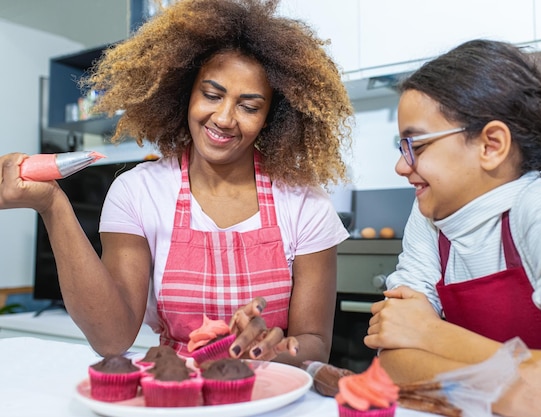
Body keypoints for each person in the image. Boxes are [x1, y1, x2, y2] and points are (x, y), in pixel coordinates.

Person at [0, 0, 353, 366]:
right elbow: (111, 337)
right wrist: (52, 206)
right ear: (185, 91)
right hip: (174, 390)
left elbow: (314, 342)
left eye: (249, 107)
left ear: (272, 117)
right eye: (212, 95)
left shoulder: (305, 202)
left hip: (271, 390)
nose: (224, 118)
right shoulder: (138, 192)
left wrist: (273, 352)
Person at [364, 39, 541, 416]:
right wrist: (521, 384)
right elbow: (393, 363)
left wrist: (431, 334)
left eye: (415, 145)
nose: (401, 166)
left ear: (491, 145)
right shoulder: (430, 216)